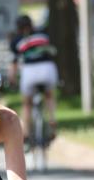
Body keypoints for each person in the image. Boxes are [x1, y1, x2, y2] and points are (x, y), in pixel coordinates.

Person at [9, 14, 58, 142]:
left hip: (29, 71)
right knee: (49, 95)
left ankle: (25, 132)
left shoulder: (17, 40)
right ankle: (53, 122)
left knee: (27, 103)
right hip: (48, 68)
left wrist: (12, 80)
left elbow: (14, 63)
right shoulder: (43, 35)